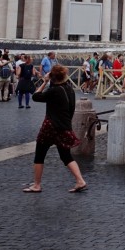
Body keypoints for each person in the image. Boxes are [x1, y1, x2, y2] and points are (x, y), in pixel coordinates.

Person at [23, 65, 87, 193]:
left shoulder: (54, 91)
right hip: (64, 126)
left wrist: (44, 82)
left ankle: (37, 185)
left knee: (40, 155)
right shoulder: (70, 89)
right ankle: (80, 180)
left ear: (52, 77)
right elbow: (71, 108)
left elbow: (35, 96)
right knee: (65, 156)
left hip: (51, 127)